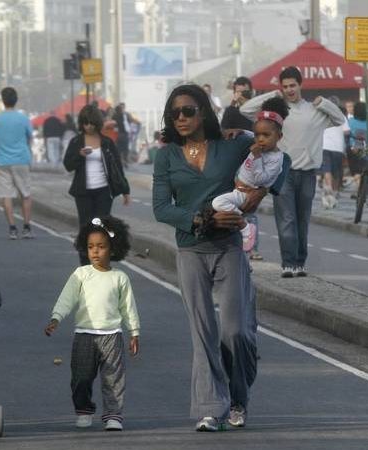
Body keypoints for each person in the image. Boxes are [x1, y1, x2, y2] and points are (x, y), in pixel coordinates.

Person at [153, 83, 288, 432]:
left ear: (203, 113)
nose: (180, 118)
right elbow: (161, 208)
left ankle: (239, 396)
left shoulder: (232, 145)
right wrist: (198, 219)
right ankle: (211, 408)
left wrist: (259, 193)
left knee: (235, 332)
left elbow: (279, 158)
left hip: (229, 248)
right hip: (190, 249)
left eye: (188, 111)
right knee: (203, 332)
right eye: (174, 113)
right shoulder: (166, 156)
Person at [240, 66, 345, 278]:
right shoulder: (277, 113)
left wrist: (323, 103)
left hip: (308, 173)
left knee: (302, 219)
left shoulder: (315, 111)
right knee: (286, 218)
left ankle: (300, 262)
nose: (289, 90)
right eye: (285, 86)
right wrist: (272, 95)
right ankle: (288, 263)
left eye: (292, 85)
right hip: (282, 173)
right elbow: (246, 110)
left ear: (300, 85)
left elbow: (340, 119)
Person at [44, 215, 139, 431]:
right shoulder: (81, 274)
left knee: (113, 379)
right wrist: (56, 317)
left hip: (112, 336)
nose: (95, 251)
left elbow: (128, 307)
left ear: (113, 249)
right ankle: (84, 410)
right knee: (81, 378)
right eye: (90, 247)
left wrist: (134, 331)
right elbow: (66, 298)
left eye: (101, 247)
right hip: (84, 335)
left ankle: (113, 415)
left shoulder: (120, 278)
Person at [212, 97, 288, 253]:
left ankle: (251, 250)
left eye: (266, 135)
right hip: (235, 187)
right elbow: (250, 123)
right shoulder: (253, 138)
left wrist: (262, 191)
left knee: (247, 220)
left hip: (249, 192)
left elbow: (272, 176)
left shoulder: (277, 153)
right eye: (257, 134)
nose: (261, 139)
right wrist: (241, 131)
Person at [64, 105, 131, 265]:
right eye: (85, 123)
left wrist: (125, 190)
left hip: (103, 192)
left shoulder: (107, 142)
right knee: (86, 229)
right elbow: (68, 164)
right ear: (81, 124)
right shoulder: (76, 141)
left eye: (91, 123)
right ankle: (85, 263)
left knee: (101, 228)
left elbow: (117, 167)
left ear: (97, 123)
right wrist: (80, 155)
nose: (88, 127)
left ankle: (101, 262)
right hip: (83, 193)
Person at [0, 87, 34, 239]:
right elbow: (30, 137)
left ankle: (12, 228)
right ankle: (27, 227)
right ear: (16, 100)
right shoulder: (23, 118)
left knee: (6, 195)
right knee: (26, 194)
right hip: (21, 159)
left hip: (2, 160)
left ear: (3, 101)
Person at [320, 102, 349, 209]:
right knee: (336, 172)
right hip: (338, 148)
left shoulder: (323, 117)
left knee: (327, 171)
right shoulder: (342, 117)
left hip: (325, 147)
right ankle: (335, 192)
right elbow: (347, 132)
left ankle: (329, 191)